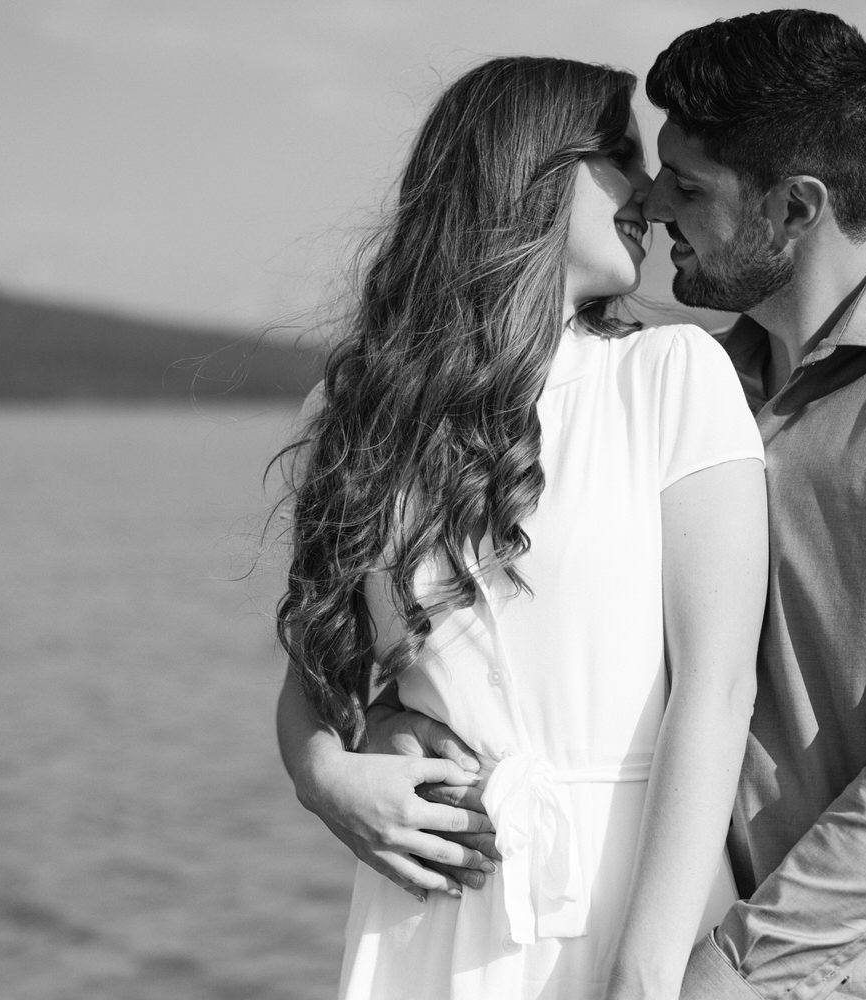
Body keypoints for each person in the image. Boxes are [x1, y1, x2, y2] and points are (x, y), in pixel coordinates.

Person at [293, 10, 866, 1000]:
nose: (658, 203)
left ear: (794, 209)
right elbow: (426, 630)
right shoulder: (697, 370)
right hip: (652, 925)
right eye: (645, 167)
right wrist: (343, 748)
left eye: (690, 185)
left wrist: (713, 969)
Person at [272, 56, 768, 1000]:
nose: (654, 196)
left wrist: (644, 974)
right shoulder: (364, 409)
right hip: (435, 912)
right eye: (620, 158)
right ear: (528, 175)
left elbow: (719, 687)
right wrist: (323, 775)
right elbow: (322, 670)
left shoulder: (671, 379)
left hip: (637, 899)